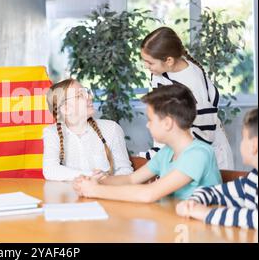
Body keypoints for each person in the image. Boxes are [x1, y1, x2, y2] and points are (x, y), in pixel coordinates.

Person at [73, 84, 222, 202]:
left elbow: (149, 194)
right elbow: (131, 179)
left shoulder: (198, 154)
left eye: (150, 120)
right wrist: (96, 182)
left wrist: (94, 190)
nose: (147, 125)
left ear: (167, 123)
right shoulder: (167, 152)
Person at [140, 27, 233, 171]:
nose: (146, 66)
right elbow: (161, 117)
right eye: (144, 61)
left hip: (206, 151)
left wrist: (169, 155)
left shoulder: (193, 82)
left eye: (150, 63)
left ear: (169, 60)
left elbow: (205, 134)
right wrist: (158, 154)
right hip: (178, 149)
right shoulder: (159, 72)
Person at [176, 108, 258, 229]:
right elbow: (215, 192)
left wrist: (205, 213)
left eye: (243, 138)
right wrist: (193, 203)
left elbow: (254, 218)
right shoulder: (253, 179)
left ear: (254, 145)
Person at [43, 78, 133, 181]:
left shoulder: (112, 129)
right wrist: (92, 176)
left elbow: (125, 171)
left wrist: (105, 183)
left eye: (87, 92)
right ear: (66, 109)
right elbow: (50, 170)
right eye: (80, 95)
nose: (90, 97)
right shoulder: (52, 133)